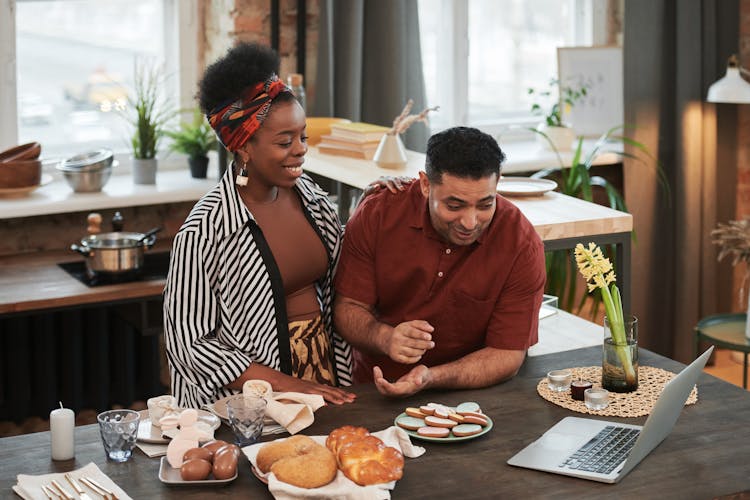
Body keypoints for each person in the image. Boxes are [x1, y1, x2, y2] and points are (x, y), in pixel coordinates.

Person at [164, 43, 362, 409]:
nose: (300, 149)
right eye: (284, 141)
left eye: (302, 136)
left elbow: (347, 273)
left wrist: (380, 200)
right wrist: (289, 386)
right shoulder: (206, 230)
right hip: (250, 404)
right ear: (243, 147)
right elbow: (191, 345)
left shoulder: (312, 200)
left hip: (324, 381)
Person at [333, 126, 546, 397]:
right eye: (454, 206)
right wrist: (385, 338)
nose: (470, 223)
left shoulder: (520, 242)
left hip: (473, 393)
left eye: (485, 205)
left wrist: (430, 377)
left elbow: (507, 353)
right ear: (425, 184)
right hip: (372, 389)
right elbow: (347, 308)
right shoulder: (379, 213)